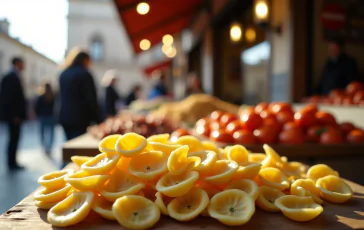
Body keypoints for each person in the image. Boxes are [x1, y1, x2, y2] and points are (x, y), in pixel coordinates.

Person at [59, 48, 101, 140]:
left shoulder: (63, 74)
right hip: (80, 118)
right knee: (78, 147)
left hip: (65, 117)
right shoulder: (84, 74)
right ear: (85, 60)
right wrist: (98, 120)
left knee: (69, 144)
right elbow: (91, 99)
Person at [0, 57, 26, 170]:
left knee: (15, 138)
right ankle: (11, 163)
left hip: (15, 116)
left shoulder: (15, 76)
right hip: (13, 116)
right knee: (13, 138)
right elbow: (8, 98)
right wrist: (14, 115)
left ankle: (13, 161)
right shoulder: (10, 77)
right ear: (17, 63)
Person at [35, 83, 55, 155]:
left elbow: (37, 107)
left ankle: (45, 146)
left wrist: (38, 114)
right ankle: (49, 147)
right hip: (51, 117)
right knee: (51, 133)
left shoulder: (41, 97)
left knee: (43, 133)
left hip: (43, 117)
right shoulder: (53, 96)